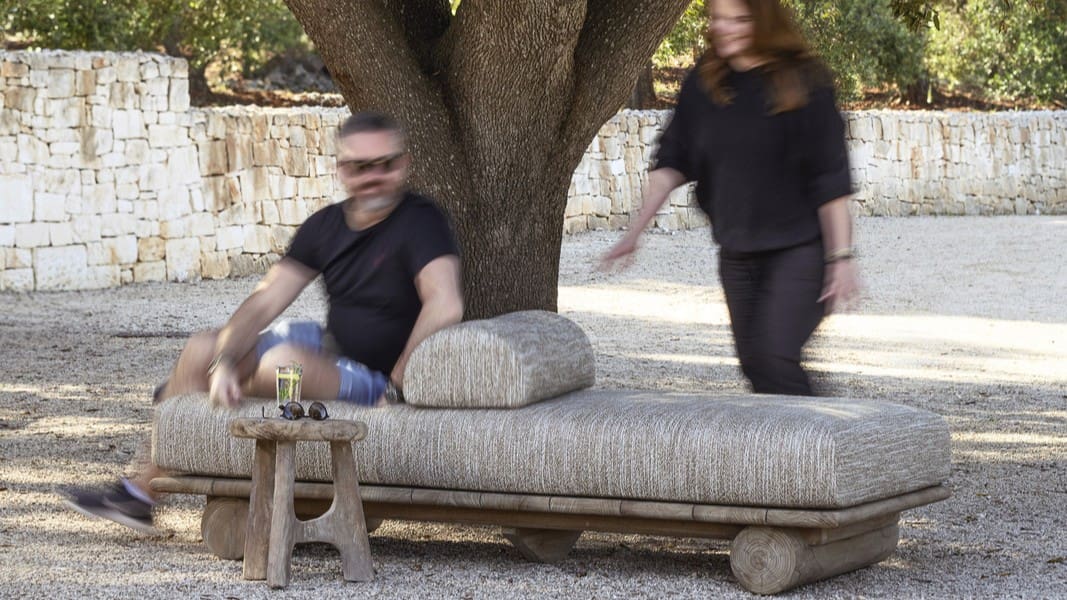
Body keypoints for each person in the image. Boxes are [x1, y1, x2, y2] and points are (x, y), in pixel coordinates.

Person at [63, 111, 465, 533]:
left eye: (387, 164)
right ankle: (139, 496)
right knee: (205, 347)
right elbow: (263, 302)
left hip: (376, 378)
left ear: (404, 165)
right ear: (342, 170)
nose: (375, 176)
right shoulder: (325, 226)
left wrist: (397, 385)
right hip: (333, 353)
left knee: (285, 363)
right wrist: (222, 364)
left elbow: (445, 304)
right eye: (361, 167)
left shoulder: (422, 221)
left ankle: (186, 391)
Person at [601, 0, 858, 396]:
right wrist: (634, 233)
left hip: (801, 251)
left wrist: (840, 258)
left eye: (739, 19)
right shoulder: (705, 85)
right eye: (718, 18)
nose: (724, 28)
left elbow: (831, 180)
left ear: (765, 21)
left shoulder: (805, 84)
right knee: (756, 364)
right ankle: (802, 445)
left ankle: (831, 440)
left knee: (774, 356)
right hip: (737, 252)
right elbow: (671, 162)